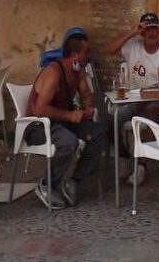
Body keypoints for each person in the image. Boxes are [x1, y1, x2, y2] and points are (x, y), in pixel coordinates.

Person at [26, 30, 105, 208]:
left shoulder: (79, 71)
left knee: (98, 132)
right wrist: (70, 115)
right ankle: (47, 184)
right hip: (38, 126)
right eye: (87, 53)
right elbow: (40, 109)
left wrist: (88, 106)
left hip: (61, 123)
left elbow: (86, 94)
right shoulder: (54, 72)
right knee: (69, 142)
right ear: (75, 55)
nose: (89, 56)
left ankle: (74, 181)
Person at [104, 13, 159, 178]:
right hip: (133, 100)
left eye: (154, 29)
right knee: (110, 119)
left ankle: (141, 166)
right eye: (147, 30)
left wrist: (154, 93)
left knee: (151, 117)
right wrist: (132, 33)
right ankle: (123, 156)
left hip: (156, 100)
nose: (151, 33)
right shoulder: (133, 46)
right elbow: (109, 50)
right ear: (142, 32)